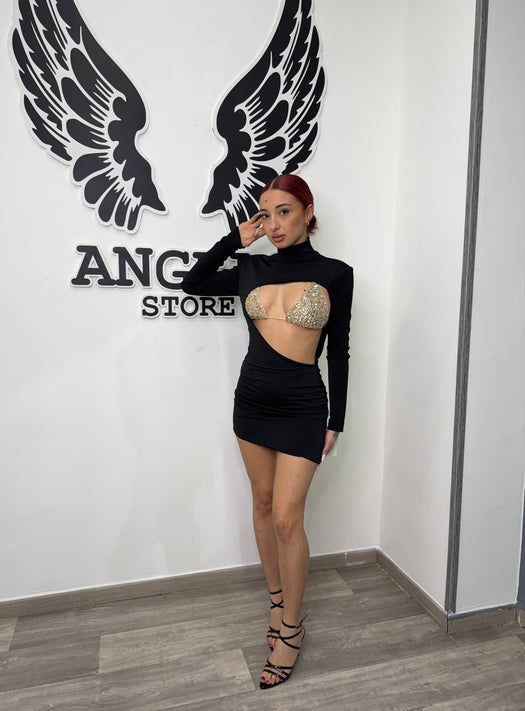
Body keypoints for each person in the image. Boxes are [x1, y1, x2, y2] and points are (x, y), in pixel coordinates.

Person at [182, 174, 353, 689]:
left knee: (285, 517)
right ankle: (277, 602)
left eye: (284, 211)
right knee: (261, 504)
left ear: (307, 212)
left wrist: (336, 419)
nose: (274, 224)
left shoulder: (336, 273)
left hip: (303, 406)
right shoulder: (250, 267)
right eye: (265, 213)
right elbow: (191, 282)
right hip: (251, 403)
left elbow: (339, 351)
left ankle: (292, 630)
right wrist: (233, 241)